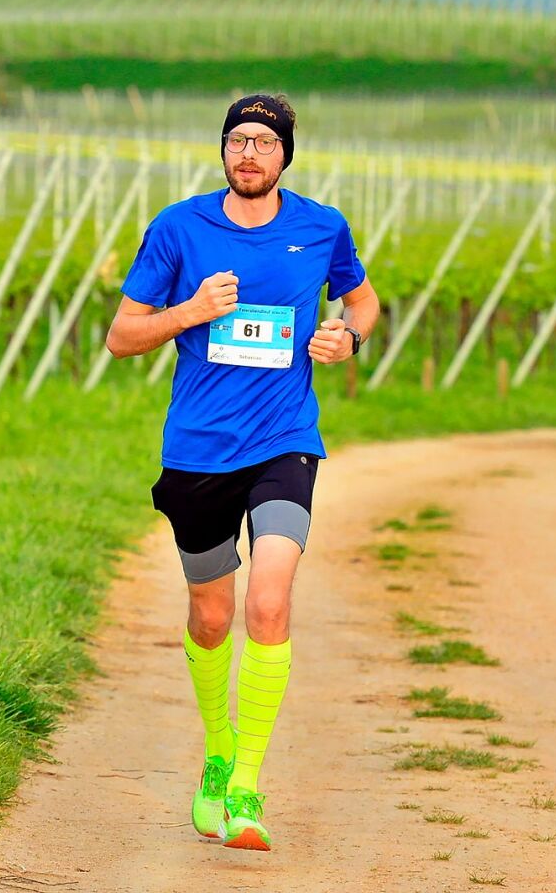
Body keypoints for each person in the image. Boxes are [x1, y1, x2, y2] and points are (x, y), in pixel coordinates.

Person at [106, 93, 380, 852]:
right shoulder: (179, 228)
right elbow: (121, 337)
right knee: (212, 617)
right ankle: (217, 751)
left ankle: (248, 784)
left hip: (284, 442)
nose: (249, 154)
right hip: (197, 452)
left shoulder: (321, 227)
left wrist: (347, 339)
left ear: (285, 154)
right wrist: (189, 311)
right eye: (237, 141)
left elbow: (363, 303)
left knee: (268, 601)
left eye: (263, 142)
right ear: (222, 152)